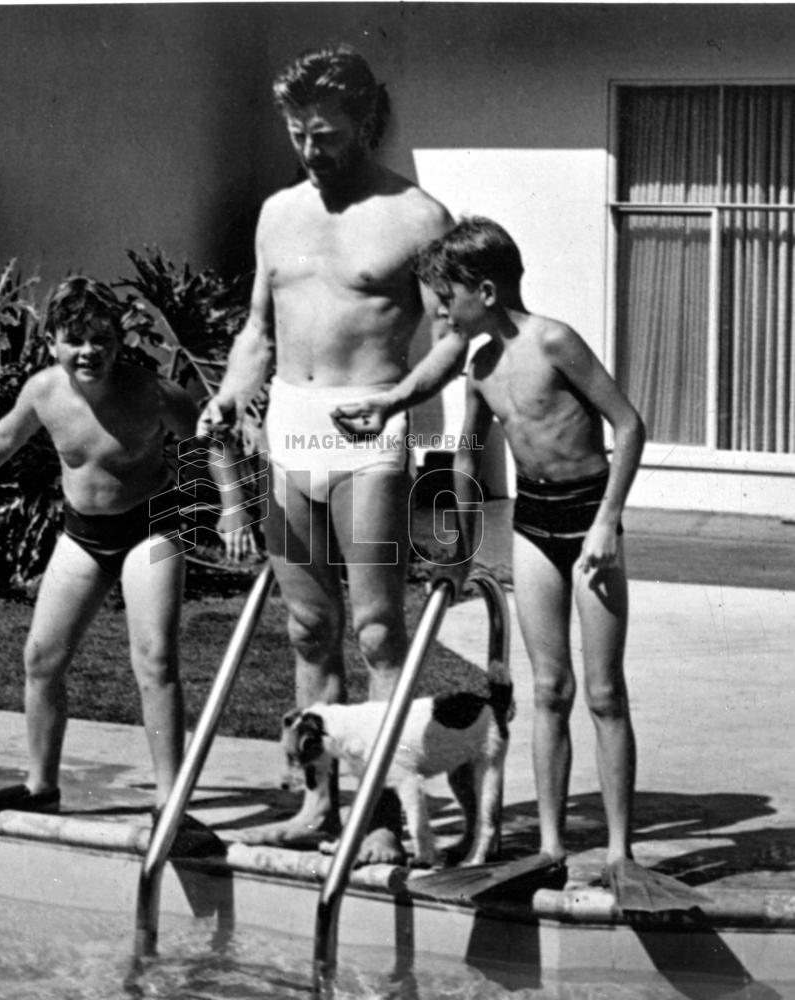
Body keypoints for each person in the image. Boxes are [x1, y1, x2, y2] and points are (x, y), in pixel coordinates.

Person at [198, 45, 465, 864]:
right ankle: (320, 805)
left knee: (380, 632)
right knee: (308, 630)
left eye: (326, 134)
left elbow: (454, 337)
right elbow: (257, 330)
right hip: (291, 430)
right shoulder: (278, 212)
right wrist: (228, 392)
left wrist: (394, 404)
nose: (311, 150)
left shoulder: (417, 215)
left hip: (371, 436)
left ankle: (380, 811)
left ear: (365, 122)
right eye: (298, 133)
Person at [410, 217, 707, 910]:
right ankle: (548, 846)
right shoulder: (477, 366)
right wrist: (455, 547)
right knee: (547, 690)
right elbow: (462, 455)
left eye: (446, 298)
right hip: (533, 523)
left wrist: (607, 521)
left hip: (587, 520)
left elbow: (628, 425)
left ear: (484, 290)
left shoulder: (552, 340)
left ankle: (619, 854)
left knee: (602, 692)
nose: (440, 312)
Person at [0, 277, 197, 824]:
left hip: (152, 532)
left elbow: (212, 438)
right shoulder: (44, 390)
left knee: (155, 659)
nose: (89, 352)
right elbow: (5, 437)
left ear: (119, 341)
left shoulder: (153, 392)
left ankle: (169, 797)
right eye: (74, 340)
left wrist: (229, 507)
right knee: (41, 658)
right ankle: (41, 785)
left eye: (101, 340)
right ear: (53, 345)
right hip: (82, 534)